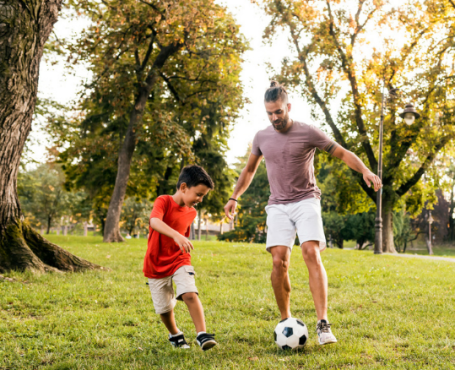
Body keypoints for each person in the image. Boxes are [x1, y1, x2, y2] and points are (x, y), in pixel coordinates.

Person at [224, 81, 382, 345]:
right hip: (277, 204)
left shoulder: (307, 132)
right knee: (278, 262)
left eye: (278, 112)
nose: (274, 118)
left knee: (310, 251)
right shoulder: (261, 137)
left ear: (288, 107)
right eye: (269, 113)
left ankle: (323, 323)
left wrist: (365, 170)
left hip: (306, 199)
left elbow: (341, 152)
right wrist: (234, 196)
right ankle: (286, 319)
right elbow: (249, 170)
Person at [143, 165, 217, 351]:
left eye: (203, 196)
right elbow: (154, 221)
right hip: (156, 263)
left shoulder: (191, 212)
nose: (200, 199)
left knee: (190, 293)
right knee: (164, 309)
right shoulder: (164, 201)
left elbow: (183, 236)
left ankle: (202, 334)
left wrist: (180, 239)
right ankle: (175, 333)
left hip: (179, 259)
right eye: (198, 194)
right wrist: (175, 235)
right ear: (183, 187)